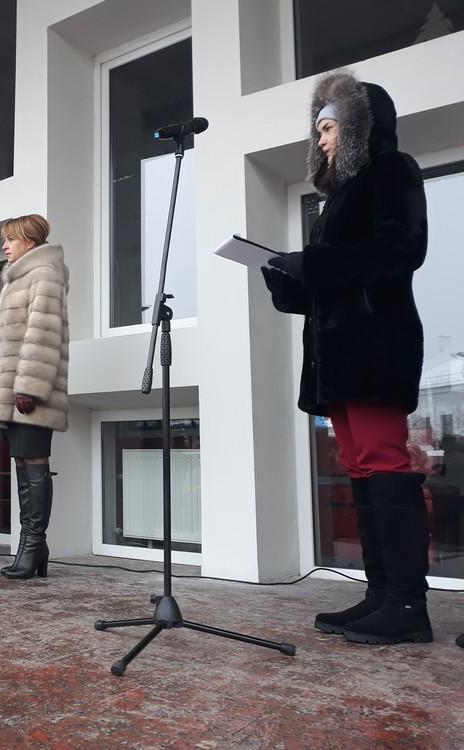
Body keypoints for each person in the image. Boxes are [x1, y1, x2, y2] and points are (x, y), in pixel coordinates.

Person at [262, 70, 430, 645]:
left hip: (376, 349)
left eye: (329, 128)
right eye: (319, 130)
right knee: (360, 467)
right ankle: (380, 594)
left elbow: (401, 251)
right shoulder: (335, 198)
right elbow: (324, 287)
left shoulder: (392, 170)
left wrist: (313, 264)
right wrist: (286, 277)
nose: (322, 139)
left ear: (359, 125)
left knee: (384, 463)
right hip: (337, 357)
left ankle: (407, 606)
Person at [0, 215, 70, 579]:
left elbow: (42, 333)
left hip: (31, 391)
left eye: (10, 239)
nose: (4, 246)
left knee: (34, 463)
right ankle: (36, 548)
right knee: (23, 463)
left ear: (30, 241)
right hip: (16, 392)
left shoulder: (44, 274)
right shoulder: (19, 277)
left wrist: (28, 387)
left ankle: (33, 545)